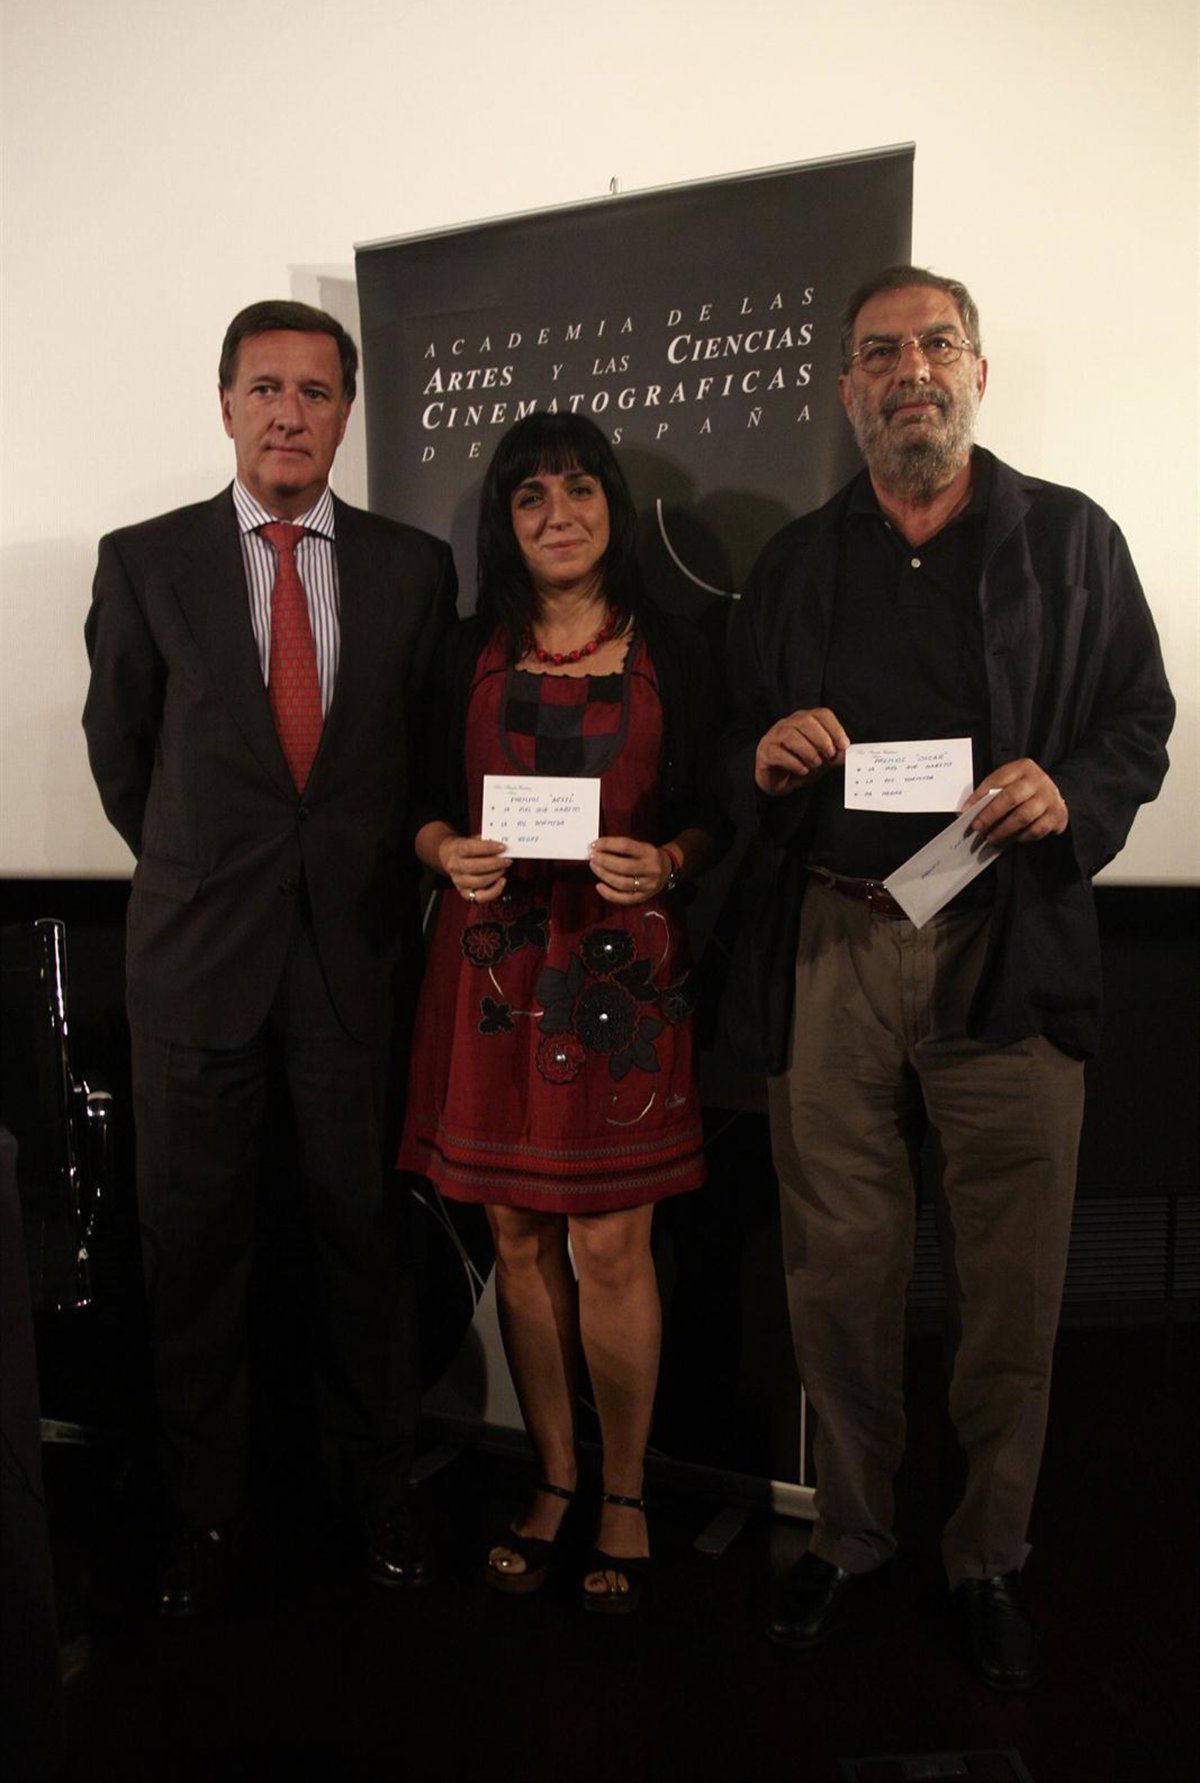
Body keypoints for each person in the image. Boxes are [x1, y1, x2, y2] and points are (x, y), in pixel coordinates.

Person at [721, 265, 1173, 1688]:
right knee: (837, 1269)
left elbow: (1139, 718)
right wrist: (761, 758)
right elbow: (729, 730)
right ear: (846, 389)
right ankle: (854, 1536)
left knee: (1011, 1277)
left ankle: (987, 1556)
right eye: (879, 351)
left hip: (1006, 939)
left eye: (935, 344)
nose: (909, 369)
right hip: (835, 938)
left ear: (976, 369)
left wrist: (1072, 790)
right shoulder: (795, 561)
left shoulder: (1072, 540)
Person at [83, 300, 457, 1615]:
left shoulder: (415, 568)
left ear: (347, 412)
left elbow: (422, 752)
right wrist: (209, 869)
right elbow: (123, 759)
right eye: (265, 388)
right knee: (192, 1246)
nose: (289, 412)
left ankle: (379, 1488)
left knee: (365, 1237)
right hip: (196, 959)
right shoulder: (146, 561)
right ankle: (200, 1509)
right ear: (227, 404)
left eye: (315, 390)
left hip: (356, 956)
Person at [398, 412, 727, 1614]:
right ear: (506, 520)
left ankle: (624, 1492)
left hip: (620, 979)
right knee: (519, 1237)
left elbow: (716, 807)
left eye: (580, 488)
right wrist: (445, 850)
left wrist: (672, 860)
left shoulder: (679, 646)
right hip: (491, 971)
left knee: (612, 1243)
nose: (558, 514)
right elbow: (414, 801)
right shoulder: (460, 651)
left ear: (612, 506)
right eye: (530, 495)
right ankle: (553, 1475)